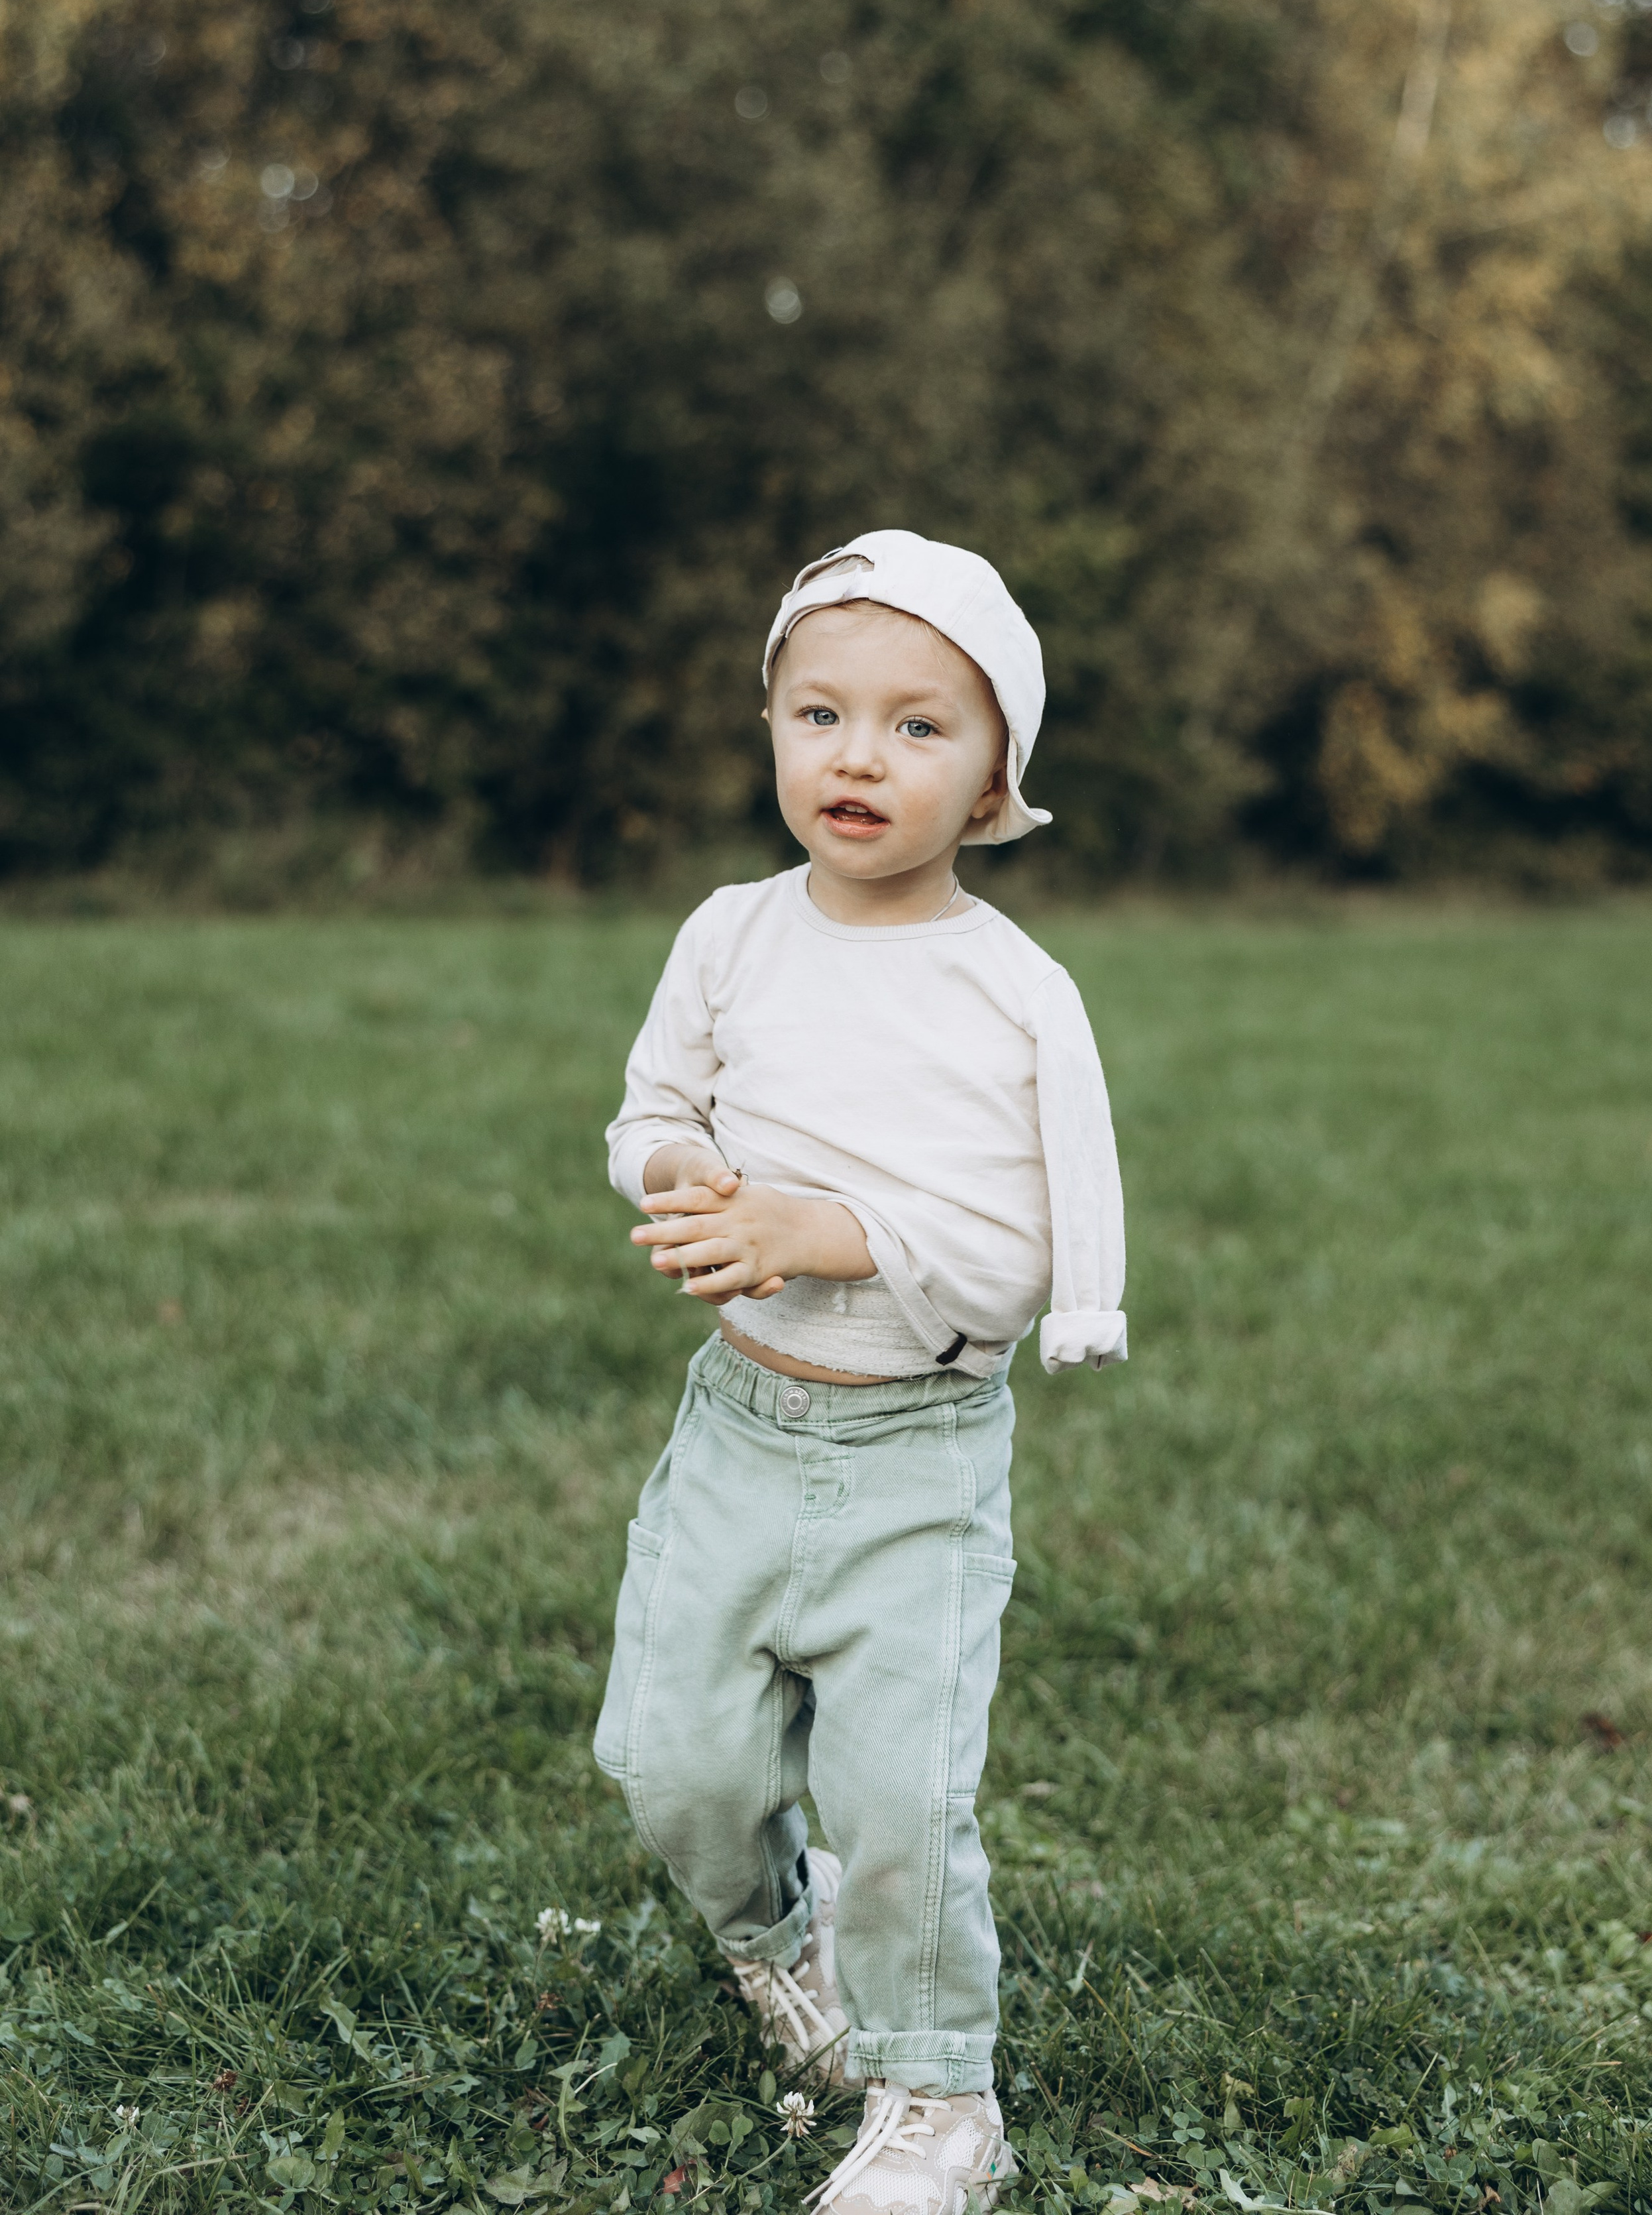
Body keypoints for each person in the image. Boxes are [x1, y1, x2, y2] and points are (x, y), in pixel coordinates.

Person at [595, 530, 1126, 2215]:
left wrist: (825, 1228)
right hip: (737, 1425)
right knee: (668, 1758)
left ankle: (936, 2099)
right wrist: (679, 1176)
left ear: (990, 784)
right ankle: (779, 1939)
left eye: (916, 726)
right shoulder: (730, 937)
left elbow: (1018, 1254)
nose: (856, 755)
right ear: (770, 729)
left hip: (915, 1448)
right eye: (817, 712)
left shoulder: (1007, 993)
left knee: (898, 1796)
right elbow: (649, 1112)